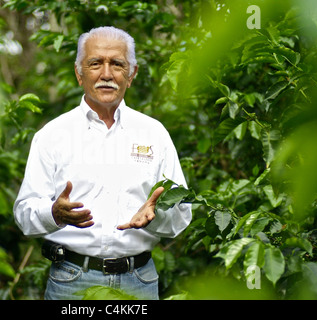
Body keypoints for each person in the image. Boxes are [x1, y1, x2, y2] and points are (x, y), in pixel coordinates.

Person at [13, 26, 192, 300]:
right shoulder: (52, 135)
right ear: (79, 73)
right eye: (95, 63)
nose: (106, 74)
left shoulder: (154, 134)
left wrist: (156, 215)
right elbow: (24, 214)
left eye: (117, 64)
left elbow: (182, 214)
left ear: (131, 74)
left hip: (139, 282)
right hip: (71, 282)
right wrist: (54, 213)